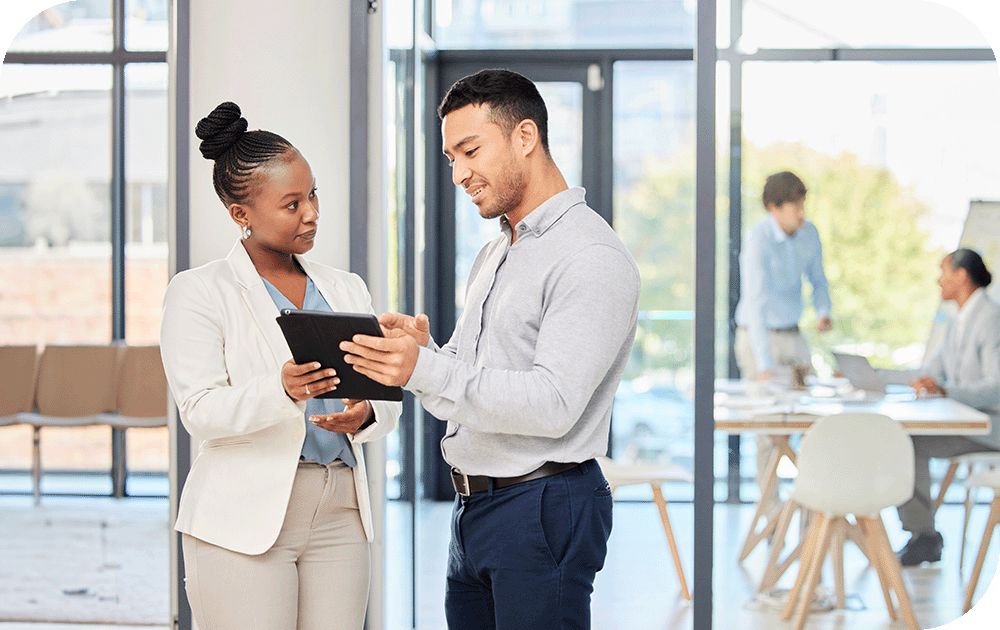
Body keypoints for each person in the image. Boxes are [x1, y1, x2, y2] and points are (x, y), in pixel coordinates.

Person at [340, 69, 640, 629]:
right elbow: (472, 380)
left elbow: (553, 403)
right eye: (452, 157)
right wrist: (426, 354)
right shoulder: (498, 251)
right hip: (476, 508)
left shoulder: (590, 255)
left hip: (542, 504)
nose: (459, 173)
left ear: (525, 136)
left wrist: (429, 369)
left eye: (470, 151)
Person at [159, 101, 401, 630]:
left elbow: (382, 397)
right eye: (292, 203)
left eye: (313, 194)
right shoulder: (198, 292)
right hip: (244, 516)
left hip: (340, 506)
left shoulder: (345, 287)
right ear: (240, 214)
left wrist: (365, 414)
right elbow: (199, 411)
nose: (312, 212)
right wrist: (282, 390)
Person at [888, 249, 1000, 566]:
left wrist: (947, 390)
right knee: (905, 440)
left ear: (961, 276)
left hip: (991, 427)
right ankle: (924, 535)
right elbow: (929, 375)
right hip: (967, 423)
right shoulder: (957, 319)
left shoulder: (991, 319)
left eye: (943, 271)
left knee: (907, 442)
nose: (939, 280)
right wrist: (877, 376)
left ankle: (924, 537)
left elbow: (997, 386)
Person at [733, 171, 832, 505]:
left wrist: (822, 310)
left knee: (813, 419)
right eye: (795, 206)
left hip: (793, 335)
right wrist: (763, 363)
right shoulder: (758, 239)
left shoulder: (809, 234)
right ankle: (770, 512)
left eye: (803, 204)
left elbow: (818, 279)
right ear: (774, 208)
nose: (801, 213)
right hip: (757, 338)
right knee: (768, 430)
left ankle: (813, 506)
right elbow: (756, 303)